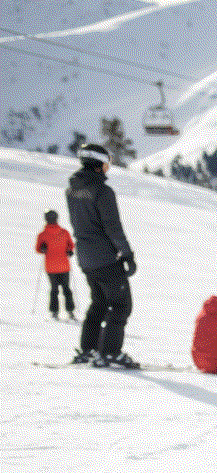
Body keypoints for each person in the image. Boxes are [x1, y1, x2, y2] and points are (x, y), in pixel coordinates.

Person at [65, 143, 139, 368]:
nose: (107, 168)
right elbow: (112, 227)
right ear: (98, 165)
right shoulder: (103, 192)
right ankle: (110, 353)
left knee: (98, 303)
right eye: (106, 164)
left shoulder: (72, 190)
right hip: (105, 258)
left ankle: (88, 350)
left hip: (85, 258)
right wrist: (127, 254)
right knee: (120, 305)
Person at [35, 209, 76, 320]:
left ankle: (54, 312)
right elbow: (71, 246)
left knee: (54, 290)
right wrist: (70, 251)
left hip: (51, 267)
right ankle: (70, 312)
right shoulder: (64, 232)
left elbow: (38, 249)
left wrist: (42, 248)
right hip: (64, 266)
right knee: (66, 289)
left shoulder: (42, 235)